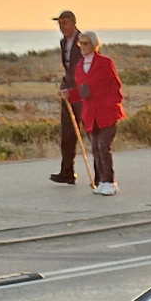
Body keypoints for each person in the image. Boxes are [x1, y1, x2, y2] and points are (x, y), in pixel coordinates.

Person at [74, 30, 124, 196]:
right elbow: (80, 91)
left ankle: (110, 181)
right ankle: (102, 180)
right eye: (80, 43)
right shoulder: (80, 67)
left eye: (86, 43)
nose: (82, 47)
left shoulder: (105, 62)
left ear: (94, 44)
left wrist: (111, 103)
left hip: (107, 112)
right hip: (90, 113)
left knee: (103, 145)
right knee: (95, 147)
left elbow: (115, 86)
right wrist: (69, 94)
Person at [48, 9, 84, 185]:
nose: (62, 27)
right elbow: (69, 69)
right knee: (67, 132)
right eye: (60, 24)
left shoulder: (83, 41)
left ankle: (102, 175)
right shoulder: (64, 43)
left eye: (65, 23)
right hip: (68, 90)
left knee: (92, 134)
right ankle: (67, 171)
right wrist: (65, 85)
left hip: (82, 92)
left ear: (74, 23)